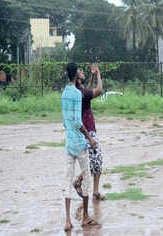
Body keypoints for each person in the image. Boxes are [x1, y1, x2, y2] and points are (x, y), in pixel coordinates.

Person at [61, 62, 99, 232]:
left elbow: (65, 121)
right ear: (76, 75)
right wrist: (89, 137)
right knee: (86, 179)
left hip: (69, 144)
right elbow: (77, 121)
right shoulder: (76, 94)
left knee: (68, 180)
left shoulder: (64, 94)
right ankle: (85, 217)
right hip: (79, 144)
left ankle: (68, 221)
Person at [74, 63, 105, 201]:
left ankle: (96, 192)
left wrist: (92, 76)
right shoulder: (81, 93)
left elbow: (89, 91)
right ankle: (78, 181)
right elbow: (99, 90)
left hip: (85, 131)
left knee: (94, 161)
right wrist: (98, 73)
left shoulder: (78, 92)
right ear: (77, 78)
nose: (82, 72)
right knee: (95, 161)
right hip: (88, 132)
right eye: (79, 72)